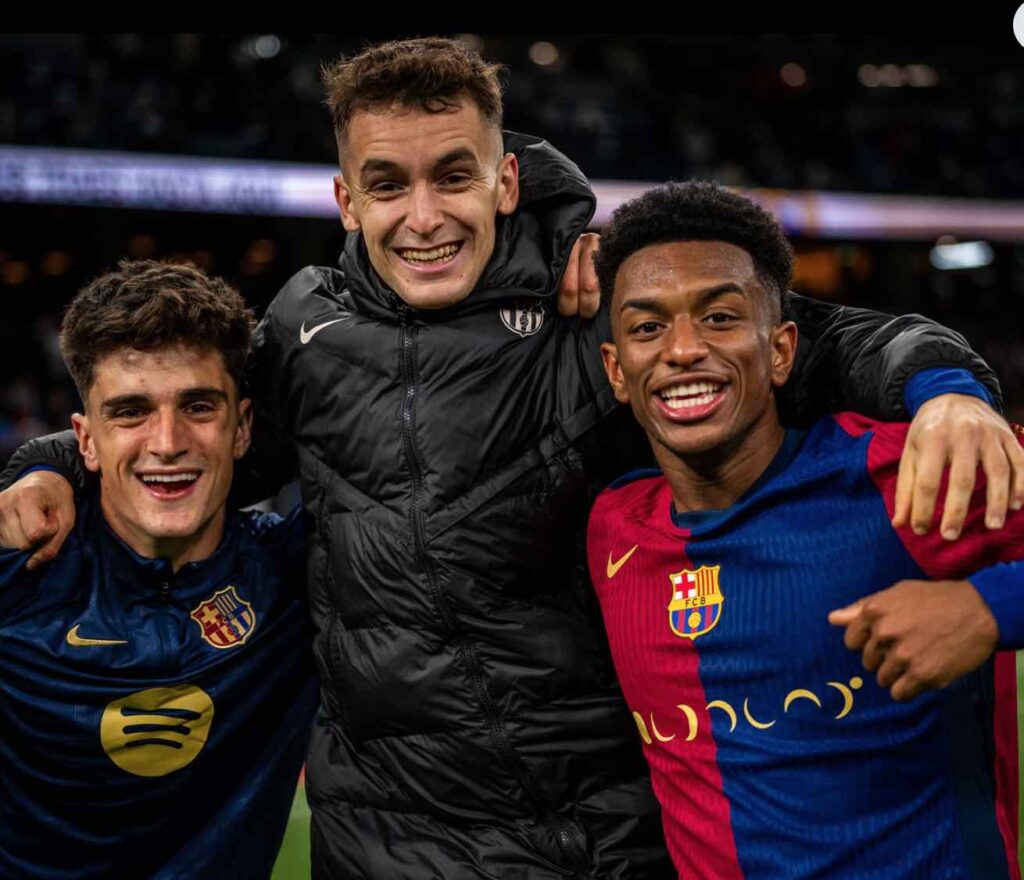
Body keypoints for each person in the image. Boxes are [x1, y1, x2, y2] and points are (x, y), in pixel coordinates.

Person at [2, 37, 1023, 879]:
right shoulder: (305, 329)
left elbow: (813, 339)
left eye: (454, 176)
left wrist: (946, 389)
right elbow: (184, 433)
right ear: (346, 201)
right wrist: (46, 467)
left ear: (505, 179)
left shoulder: (601, 310)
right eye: (387, 185)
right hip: (381, 840)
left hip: (597, 837)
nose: (424, 216)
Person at [587, 180, 1023, 879]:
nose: (683, 349)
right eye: (647, 328)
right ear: (616, 370)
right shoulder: (613, 527)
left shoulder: (897, 472)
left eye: (720, 318)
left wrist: (987, 608)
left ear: (782, 350)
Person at [0, 260, 318, 879]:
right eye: (130, 411)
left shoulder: (303, 574)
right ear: (85, 440)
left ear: (242, 428)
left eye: (198, 406)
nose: (168, 442)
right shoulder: (16, 575)